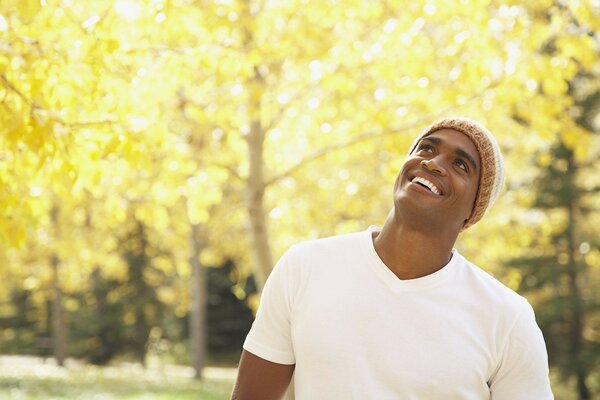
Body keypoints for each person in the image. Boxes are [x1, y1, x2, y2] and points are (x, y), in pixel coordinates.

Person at [231, 117, 553, 400]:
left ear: (474, 210)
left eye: (461, 165)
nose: (433, 163)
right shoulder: (304, 267)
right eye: (427, 148)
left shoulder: (508, 320)